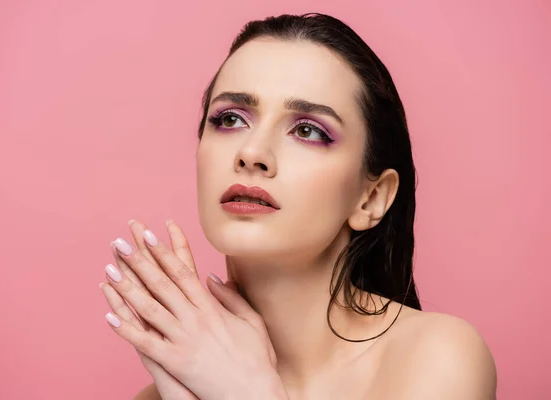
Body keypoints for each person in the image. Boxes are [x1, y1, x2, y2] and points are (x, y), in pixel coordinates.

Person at [100, 12, 497, 399]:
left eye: (307, 130)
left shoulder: (438, 358)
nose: (252, 152)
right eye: (231, 119)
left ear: (371, 198)